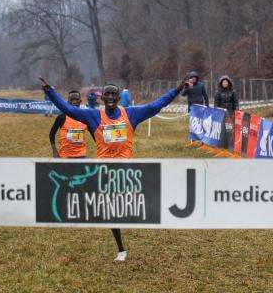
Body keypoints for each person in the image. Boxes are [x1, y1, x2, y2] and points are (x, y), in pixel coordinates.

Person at [39, 76, 189, 261]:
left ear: (118, 98)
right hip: (105, 171)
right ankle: (121, 249)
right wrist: (50, 91)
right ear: (102, 98)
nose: (110, 97)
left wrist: (175, 90)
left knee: (131, 204)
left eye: (114, 94)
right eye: (107, 94)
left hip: (126, 170)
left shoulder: (131, 114)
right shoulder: (93, 116)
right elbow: (67, 108)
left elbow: (155, 106)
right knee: (110, 212)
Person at [49, 90, 87, 158]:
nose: (74, 101)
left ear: (80, 101)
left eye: (76, 99)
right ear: (68, 102)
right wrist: (54, 151)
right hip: (65, 156)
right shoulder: (62, 117)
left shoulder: (85, 117)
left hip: (81, 156)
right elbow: (51, 134)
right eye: (72, 99)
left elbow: (95, 132)